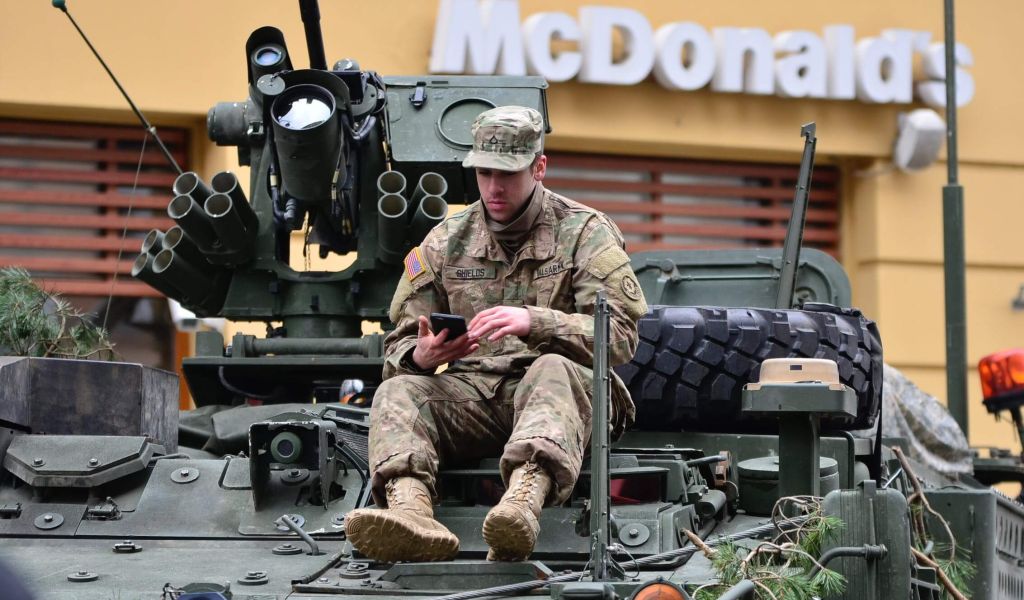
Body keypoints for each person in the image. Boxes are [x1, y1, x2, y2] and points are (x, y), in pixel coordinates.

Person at [345, 106, 648, 562]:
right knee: (398, 391)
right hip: (474, 397)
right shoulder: (445, 241)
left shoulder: (585, 232)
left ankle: (523, 503)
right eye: (484, 173)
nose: (494, 187)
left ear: (539, 167)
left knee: (550, 367)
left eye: (508, 173)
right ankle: (411, 513)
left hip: (569, 400)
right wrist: (424, 355)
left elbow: (622, 336)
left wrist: (538, 322)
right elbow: (399, 345)